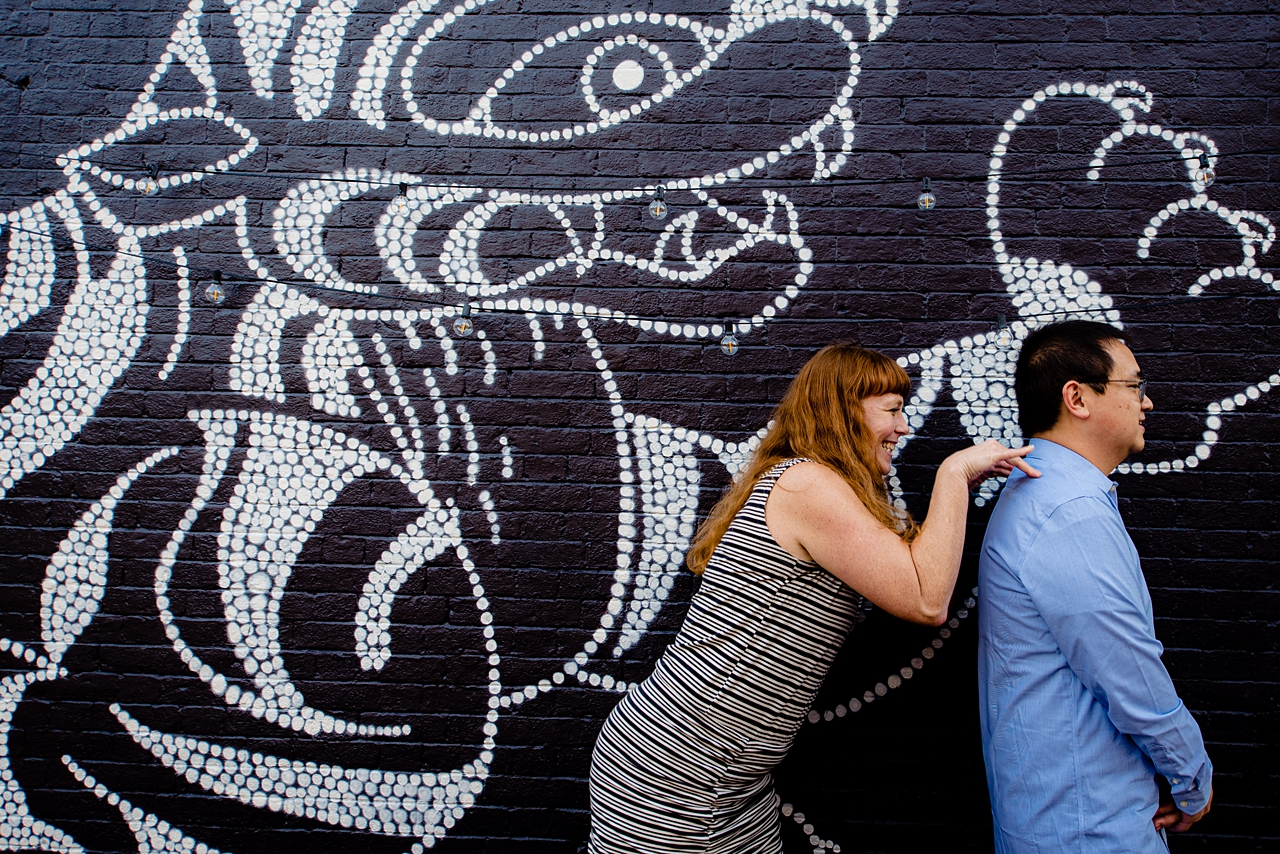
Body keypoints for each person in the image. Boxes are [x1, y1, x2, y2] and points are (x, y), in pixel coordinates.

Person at [588, 343, 1038, 853]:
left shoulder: (821, 483)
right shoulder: (808, 486)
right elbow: (926, 599)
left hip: (732, 774)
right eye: (891, 411)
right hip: (677, 774)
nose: (904, 427)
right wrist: (953, 475)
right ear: (843, 412)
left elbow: (914, 569)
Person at [978, 320, 1213, 853]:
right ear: (1077, 397)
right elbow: (1131, 675)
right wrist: (1192, 778)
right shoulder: (1068, 512)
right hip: (1090, 826)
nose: (1146, 404)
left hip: (1059, 815)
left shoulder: (1038, 492)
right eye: (1135, 386)